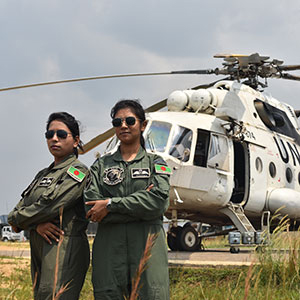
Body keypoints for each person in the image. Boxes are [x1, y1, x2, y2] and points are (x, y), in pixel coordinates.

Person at [84, 99, 170, 300]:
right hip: (109, 252)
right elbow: (91, 208)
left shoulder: (156, 163)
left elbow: (158, 204)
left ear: (143, 125)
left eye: (130, 121)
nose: (123, 125)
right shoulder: (100, 166)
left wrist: (111, 204)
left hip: (148, 250)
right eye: (117, 122)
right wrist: (140, 207)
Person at [8, 112, 90, 300]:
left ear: (76, 140)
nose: (54, 139)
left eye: (61, 134)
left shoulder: (78, 172)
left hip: (63, 244)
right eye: (49, 134)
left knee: (54, 296)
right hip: (39, 242)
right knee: (41, 295)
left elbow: (49, 207)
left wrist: (17, 221)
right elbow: (21, 206)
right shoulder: (42, 174)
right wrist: (34, 225)